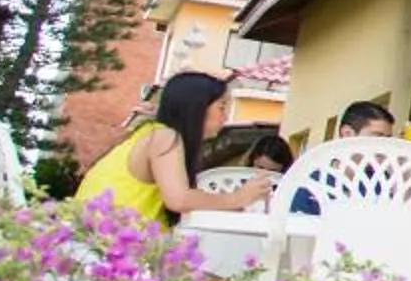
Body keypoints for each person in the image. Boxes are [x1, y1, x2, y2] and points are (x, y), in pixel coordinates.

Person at [76, 71, 271, 221]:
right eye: (221, 107)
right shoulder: (164, 137)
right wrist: (236, 198)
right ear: (197, 107)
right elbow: (179, 199)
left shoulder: (153, 134)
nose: (226, 116)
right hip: (102, 244)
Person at [287, 101, 395, 215]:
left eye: (387, 139)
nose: (384, 145)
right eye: (377, 137)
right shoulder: (311, 182)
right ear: (347, 133)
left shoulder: (384, 181)